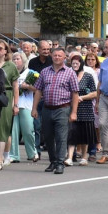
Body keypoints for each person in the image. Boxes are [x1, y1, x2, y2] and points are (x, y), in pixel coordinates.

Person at [32, 47, 79, 175]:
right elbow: (38, 90)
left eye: (60, 56)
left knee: (61, 137)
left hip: (63, 109)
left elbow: (75, 93)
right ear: (51, 57)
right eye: (55, 55)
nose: (57, 57)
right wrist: (34, 108)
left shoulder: (70, 73)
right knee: (47, 137)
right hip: (47, 108)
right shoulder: (45, 71)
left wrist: (74, 112)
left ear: (65, 58)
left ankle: (60, 163)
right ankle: (52, 161)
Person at [0, 41, 18, 170]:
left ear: (6, 51)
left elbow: (15, 86)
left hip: (5, 95)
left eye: (0, 48)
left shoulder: (10, 66)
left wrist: (15, 104)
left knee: (2, 128)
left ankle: (0, 158)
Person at [8, 51, 39, 163]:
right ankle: (14, 155)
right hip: (13, 104)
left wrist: (28, 86)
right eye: (14, 59)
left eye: (18, 59)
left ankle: (32, 153)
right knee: (13, 131)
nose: (16, 61)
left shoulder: (30, 73)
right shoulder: (11, 73)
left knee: (28, 130)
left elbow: (38, 88)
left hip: (26, 104)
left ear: (24, 60)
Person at [69, 54, 98, 166]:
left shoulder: (88, 76)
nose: (75, 65)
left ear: (81, 64)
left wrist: (82, 97)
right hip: (71, 107)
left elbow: (94, 93)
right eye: (73, 63)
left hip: (85, 107)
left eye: (77, 63)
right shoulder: (69, 74)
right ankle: (70, 157)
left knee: (85, 133)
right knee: (71, 133)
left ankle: (84, 157)